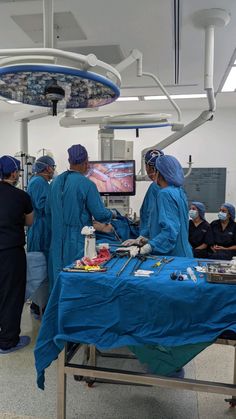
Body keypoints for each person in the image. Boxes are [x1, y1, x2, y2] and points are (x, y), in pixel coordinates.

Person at [46, 144, 115, 287]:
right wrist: (112, 213)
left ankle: (57, 310)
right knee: (75, 282)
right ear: (85, 163)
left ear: (70, 161)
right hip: (76, 242)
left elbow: (48, 211)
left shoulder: (54, 182)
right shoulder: (86, 184)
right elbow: (100, 214)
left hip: (56, 243)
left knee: (58, 284)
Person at [0, 155, 33, 353]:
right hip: (10, 253)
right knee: (11, 294)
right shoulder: (21, 196)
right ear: (14, 173)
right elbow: (30, 222)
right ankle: (7, 341)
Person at [129, 155, 193, 257]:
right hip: (184, 253)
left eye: (155, 171)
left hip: (173, 256)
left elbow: (170, 231)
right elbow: (176, 225)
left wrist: (150, 246)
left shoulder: (165, 194)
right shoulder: (178, 191)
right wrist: (148, 239)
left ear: (159, 173)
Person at [27, 155, 56, 318]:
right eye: (53, 167)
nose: (53, 170)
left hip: (43, 229)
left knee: (42, 271)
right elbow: (43, 205)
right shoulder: (39, 182)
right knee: (40, 271)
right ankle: (38, 306)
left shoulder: (41, 182)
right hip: (40, 231)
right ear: (47, 168)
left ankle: (38, 304)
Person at [122, 149, 163, 247]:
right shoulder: (177, 189)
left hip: (156, 240)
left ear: (147, 167)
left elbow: (151, 215)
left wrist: (143, 238)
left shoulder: (156, 187)